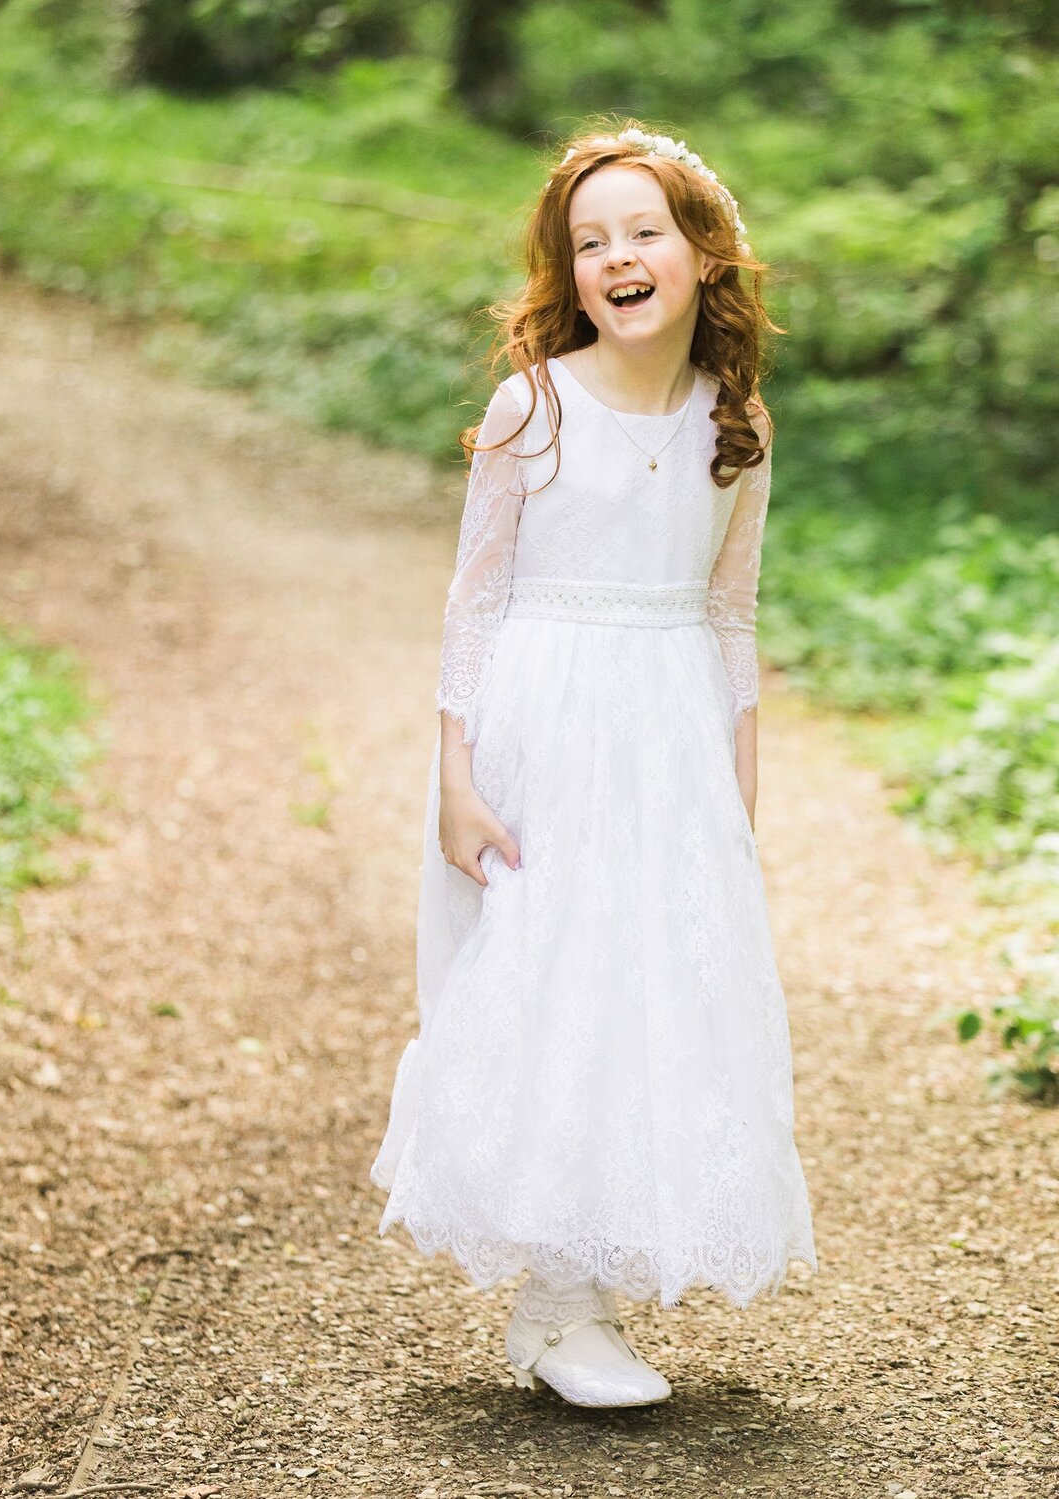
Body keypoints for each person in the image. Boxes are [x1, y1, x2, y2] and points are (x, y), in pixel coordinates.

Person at [369, 118, 818, 1408]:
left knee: (651, 983)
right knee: (547, 974)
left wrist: (737, 795)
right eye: (588, 242)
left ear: (703, 257)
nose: (617, 257)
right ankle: (559, 1307)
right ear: (568, 276)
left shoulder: (736, 426)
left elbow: (730, 616)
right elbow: (474, 601)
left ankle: (581, 1300)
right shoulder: (536, 406)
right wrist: (457, 775)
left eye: (644, 232)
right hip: (543, 723)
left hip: (669, 729)